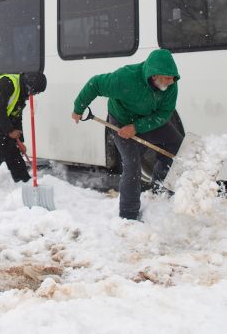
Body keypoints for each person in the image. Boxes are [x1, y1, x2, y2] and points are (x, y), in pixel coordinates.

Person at [71, 49, 182, 221]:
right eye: (167, 77)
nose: (171, 81)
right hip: (121, 121)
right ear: (154, 75)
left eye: (173, 77)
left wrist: (137, 127)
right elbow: (95, 84)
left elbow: (165, 113)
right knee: (132, 165)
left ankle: (160, 189)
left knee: (176, 144)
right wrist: (78, 108)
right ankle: (128, 216)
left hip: (147, 119)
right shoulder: (124, 78)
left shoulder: (171, 86)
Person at [0, 71, 48, 189]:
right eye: (35, 92)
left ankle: (22, 178)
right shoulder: (7, 83)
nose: (34, 95)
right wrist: (10, 131)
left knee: (11, 145)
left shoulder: (21, 94)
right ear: (29, 86)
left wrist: (19, 141)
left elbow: (16, 117)